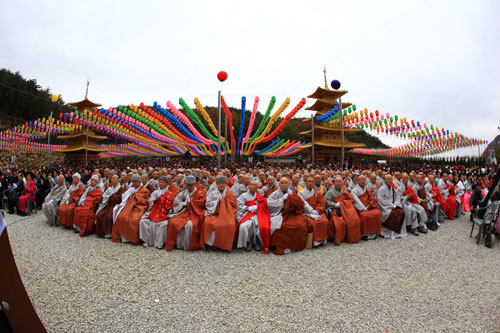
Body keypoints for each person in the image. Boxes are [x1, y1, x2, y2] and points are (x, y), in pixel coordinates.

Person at [267, 177, 308, 255]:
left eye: (286, 183)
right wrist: (282, 200)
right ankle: (282, 247)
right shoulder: (274, 194)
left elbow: (301, 203)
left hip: (292, 214)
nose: (284, 185)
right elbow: (269, 204)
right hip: (279, 213)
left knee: (300, 225)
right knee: (281, 226)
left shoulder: (292, 193)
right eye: (282, 183)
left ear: (289, 184)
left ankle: (295, 246)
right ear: (279, 184)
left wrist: (311, 210)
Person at [165, 175, 206, 251]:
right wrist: (183, 204)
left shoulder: (200, 193)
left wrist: (192, 202)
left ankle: (187, 245)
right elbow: (176, 203)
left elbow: (202, 203)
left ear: (194, 184)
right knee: (173, 222)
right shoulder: (183, 193)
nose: (189, 187)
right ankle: (178, 244)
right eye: (187, 185)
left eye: (190, 185)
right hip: (183, 212)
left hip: (195, 213)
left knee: (190, 225)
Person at [139, 176, 179, 248]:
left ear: (167, 184)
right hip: (154, 211)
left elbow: (168, 205)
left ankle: (159, 243)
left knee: (163, 224)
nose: (161, 184)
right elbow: (150, 203)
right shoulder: (155, 192)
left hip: (163, 213)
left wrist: (161, 199)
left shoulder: (170, 193)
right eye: (160, 182)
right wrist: (153, 199)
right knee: (143, 222)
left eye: (163, 182)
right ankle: (147, 241)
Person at [200, 176, 237, 251]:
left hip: (226, 214)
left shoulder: (230, 193)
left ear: (226, 184)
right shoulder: (212, 193)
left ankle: (223, 245)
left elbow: (234, 204)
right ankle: (212, 244)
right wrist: (217, 202)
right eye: (219, 183)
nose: (221, 185)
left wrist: (224, 202)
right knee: (209, 223)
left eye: (223, 183)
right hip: (213, 213)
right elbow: (208, 204)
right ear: (216, 184)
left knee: (229, 224)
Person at [112, 174, 151, 244]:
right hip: (129, 207)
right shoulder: (132, 189)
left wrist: (135, 196)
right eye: (133, 182)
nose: (134, 183)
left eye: (136, 182)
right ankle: (123, 237)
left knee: (134, 220)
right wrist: (130, 196)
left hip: (139, 207)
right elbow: (124, 197)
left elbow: (144, 201)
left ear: (139, 182)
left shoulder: (145, 190)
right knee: (121, 216)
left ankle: (133, 238)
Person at [325, 176, 362, 245]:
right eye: (337, 182)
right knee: (339, 222)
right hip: (336, 210)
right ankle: (340, 237)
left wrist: (343, 203)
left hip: (346, 209)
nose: (338, 183)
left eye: (340, 182)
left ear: (342, 183)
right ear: (334, 183)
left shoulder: (345, 191)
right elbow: (326, 201)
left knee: (355, 219)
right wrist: (335, 205)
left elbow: (351, 199)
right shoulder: (330, 192)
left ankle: (351, 237)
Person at [236, 180, 271, 253]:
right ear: (248, 186)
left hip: (257, 214)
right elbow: (239, 206)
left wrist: (257, 207)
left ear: (257, 188)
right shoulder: (243, 195)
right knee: (244, 226)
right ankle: (248, 242)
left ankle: (258, 242)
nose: (252, 186)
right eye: (251, 184)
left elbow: (264, 205)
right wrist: (248, 208)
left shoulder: (259, 196)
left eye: (254, 185)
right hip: (246, 213)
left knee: (261, 227)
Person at [298, 176, 330, 246]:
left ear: (314, 183)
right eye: (308, 181)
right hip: (307, 212)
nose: (310, 183)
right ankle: (315, 241)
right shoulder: (301, 193)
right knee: (312, 223)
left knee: (324, 221)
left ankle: (323, 239)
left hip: (318, 212)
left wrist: (318, 211)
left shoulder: (318, 193)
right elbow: (304, 203)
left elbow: (322, 203)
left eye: (312, 181)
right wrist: (311, 210)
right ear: (305, 183)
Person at [350, 175, 382, 240]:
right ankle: (364, 234)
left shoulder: (367, 189)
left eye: (364, 179)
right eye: (361, 179)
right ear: (358, 181)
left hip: (368, 206)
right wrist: (363, 207)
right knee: (364, 216)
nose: (363, 181)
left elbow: (371, 198)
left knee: (377, 213)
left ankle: (374, 233)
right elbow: (356, 200)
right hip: (360, 208)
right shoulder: (354, 190)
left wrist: (369, 206)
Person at [377, 174, 406, 239]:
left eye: (391, 179)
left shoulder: (393, 188)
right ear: (385, 180)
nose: (391, 181)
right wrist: (392, 206)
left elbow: (397, 197)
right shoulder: (381, 189)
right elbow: (381, 201)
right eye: (389, 179)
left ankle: (397, 231)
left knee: (401, 212)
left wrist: (396, 205)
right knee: (394, 214)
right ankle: (390, 231)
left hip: (393, 206)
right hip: (384, 208)